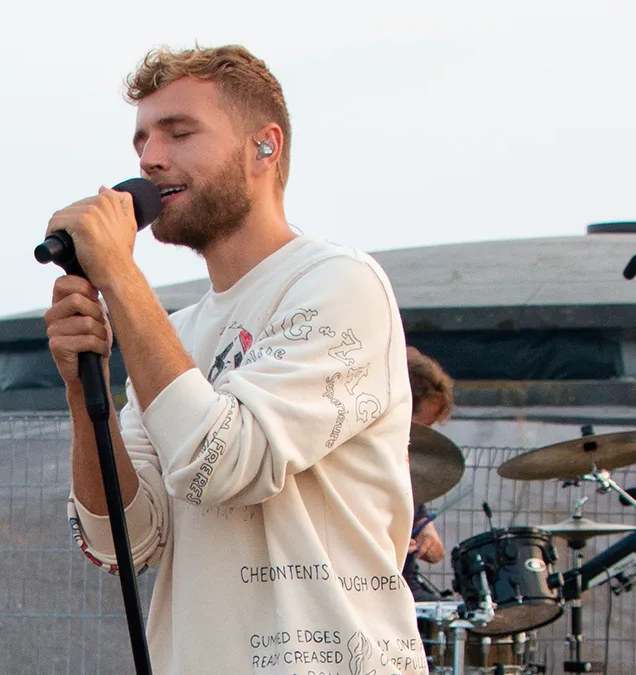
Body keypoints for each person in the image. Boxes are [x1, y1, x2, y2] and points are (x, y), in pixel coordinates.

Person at [45, 46, 425, 674]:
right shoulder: (172, 333)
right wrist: (82, 398)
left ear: (264, 147)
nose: (149, 159)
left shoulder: (338, 283)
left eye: (180, 132)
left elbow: (223, 464)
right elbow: (125, 541)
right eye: (141, 139)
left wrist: (118, 276)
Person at [405, 346, 454, 601]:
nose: (424, 437)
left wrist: (428, 536)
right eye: (421, 427)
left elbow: (422, 524)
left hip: (405, 586)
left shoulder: (408, 469)